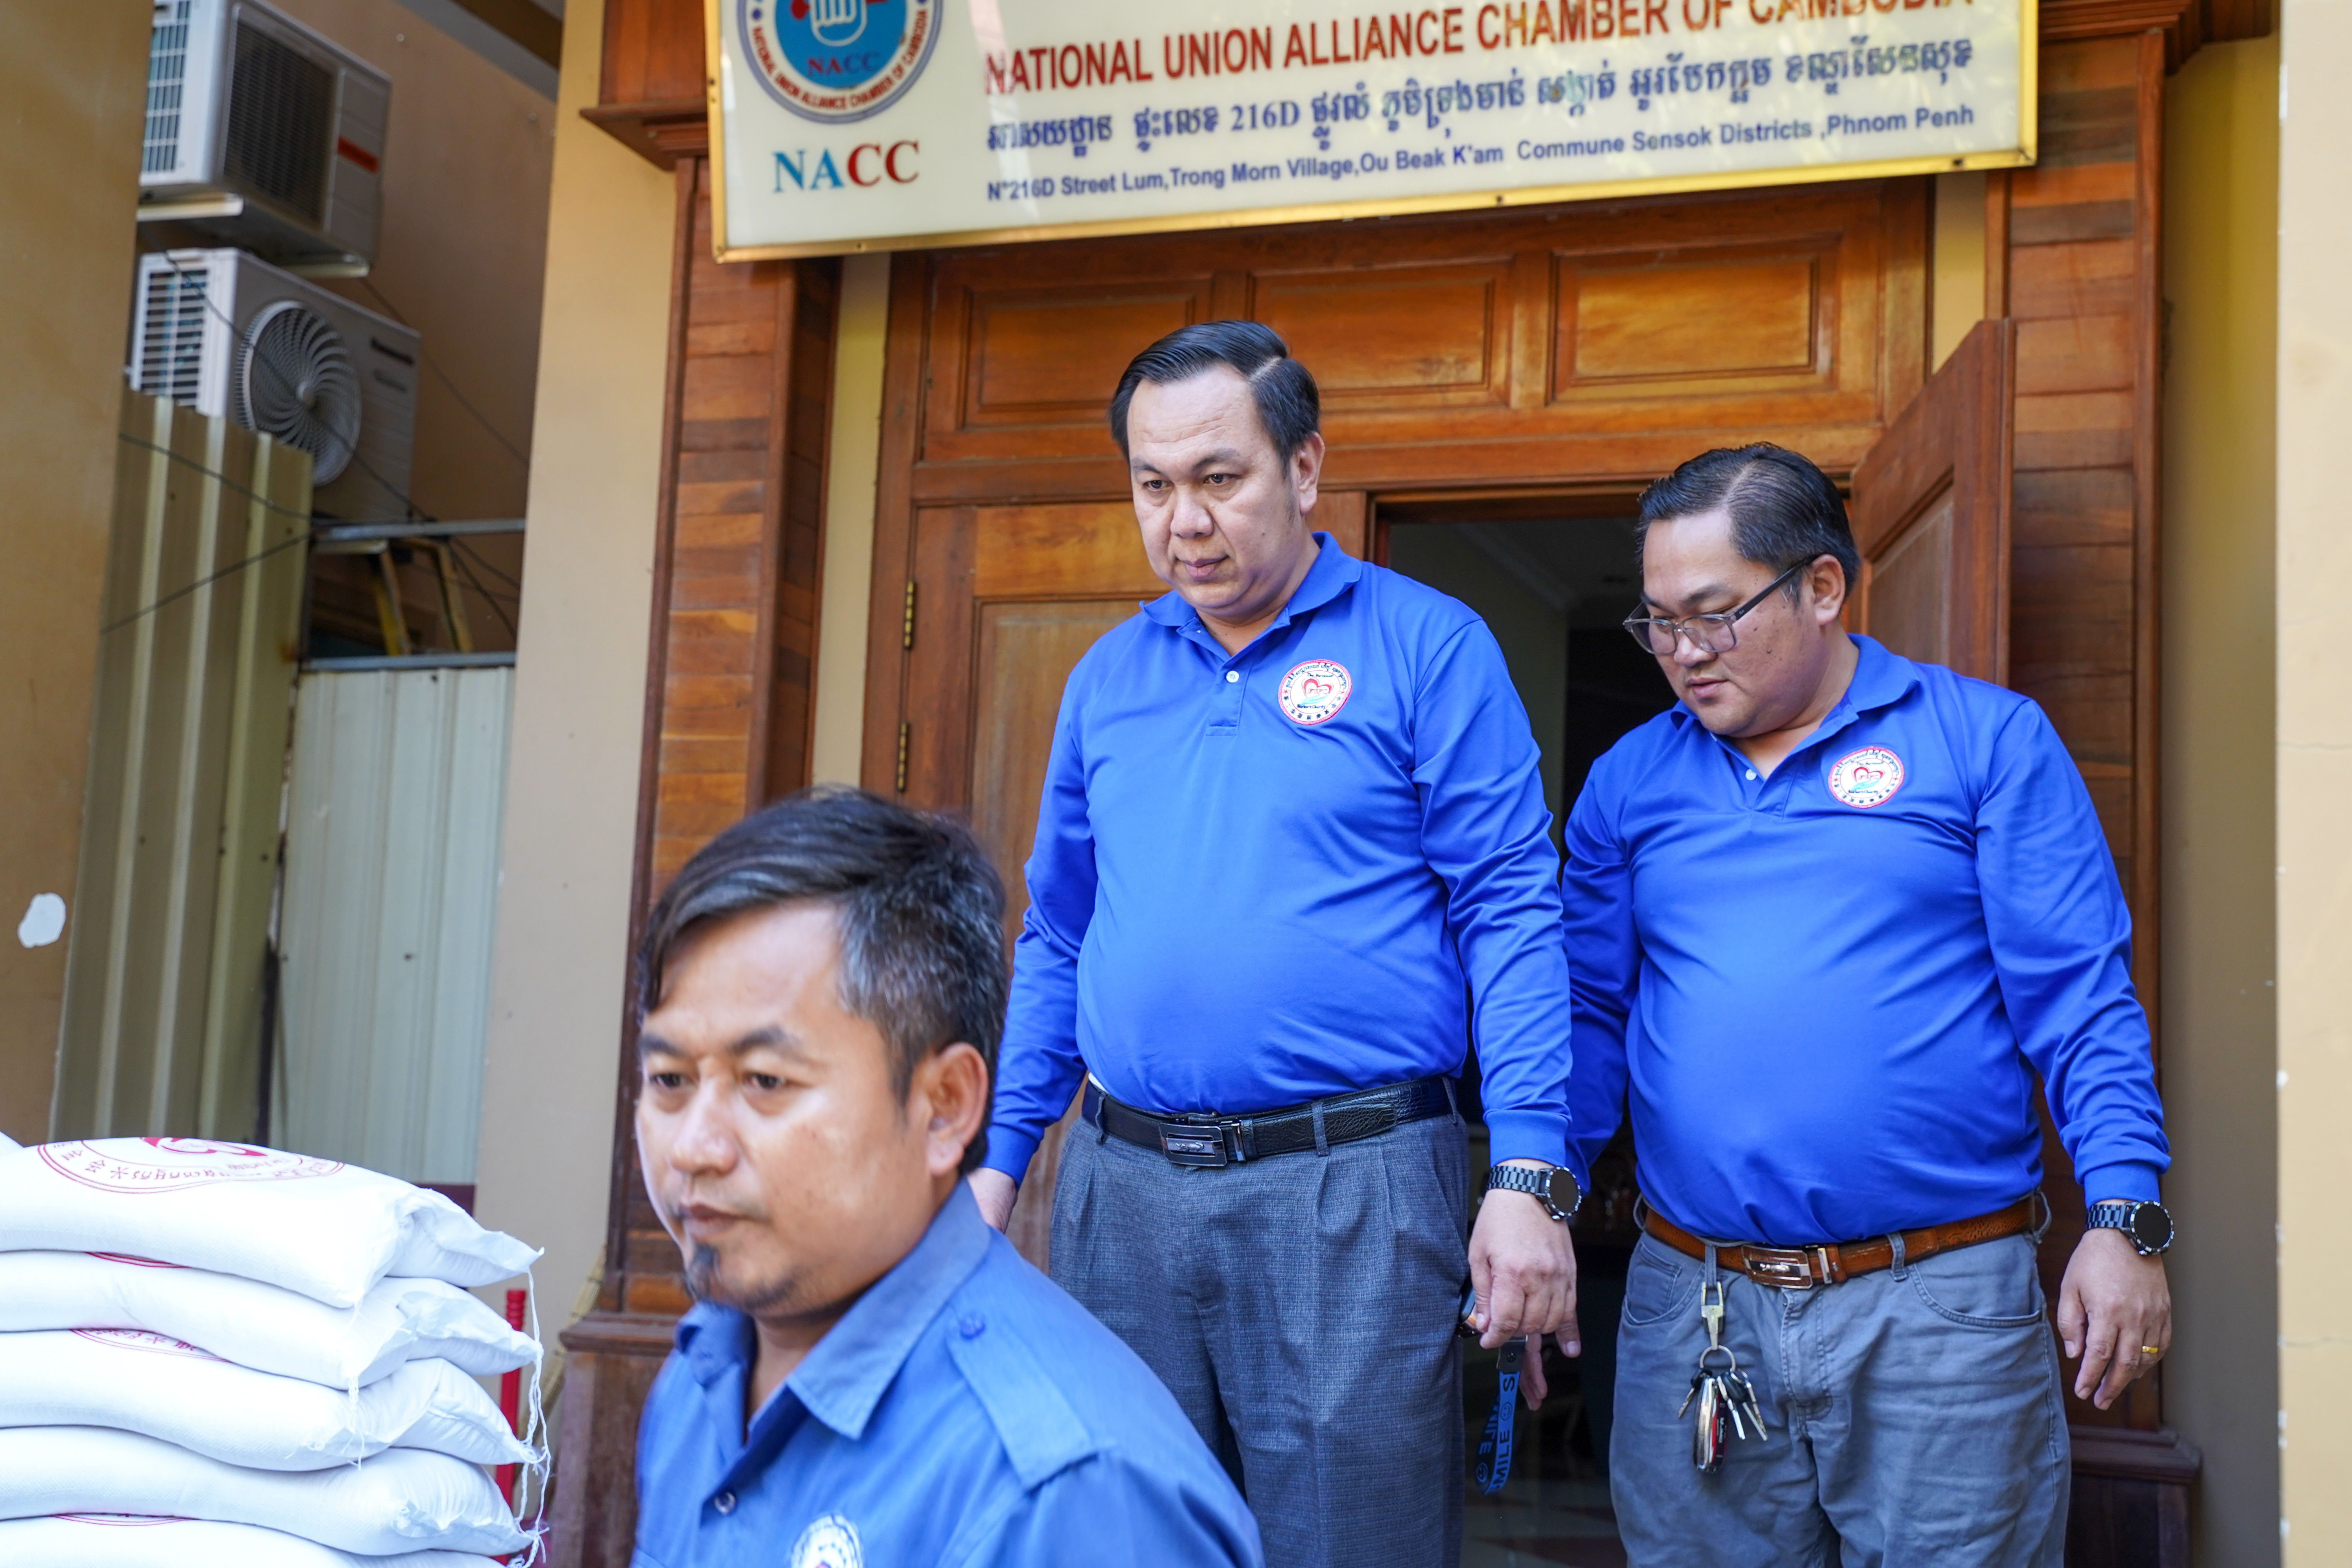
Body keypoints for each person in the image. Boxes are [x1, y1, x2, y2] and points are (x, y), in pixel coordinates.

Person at [966, 320, 1581, 1568]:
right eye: (1153, 486)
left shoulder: (1428, 646)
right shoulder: (1107, 677)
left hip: (1352, 1190)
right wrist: (998, 1163)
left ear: (1304, 469)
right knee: (1121, 1538)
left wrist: (1527, 1176)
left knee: (1354, 1545)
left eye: (1218, 478)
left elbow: (1511, 910)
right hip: (1121, 1187)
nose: (1185, 521)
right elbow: (1061, 933)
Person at [1561, 444, 2173, 1566]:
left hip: (1939, 1308)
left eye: (1714, 614)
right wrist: (1536, 1195)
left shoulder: (1985, 741)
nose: (1683, 651)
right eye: (1658, 622)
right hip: (1697, 1301)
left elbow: (2082, 1003)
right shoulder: (1630, 780)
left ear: (1823, 587)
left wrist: (2126, 1216)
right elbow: (1588, 1013)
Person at [628, 787, 1263, 1568]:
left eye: (765, 1081)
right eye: (669, 1079)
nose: (694, 1148)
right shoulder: (700, 1376)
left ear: (944, 1106)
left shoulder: (1070, 1491)